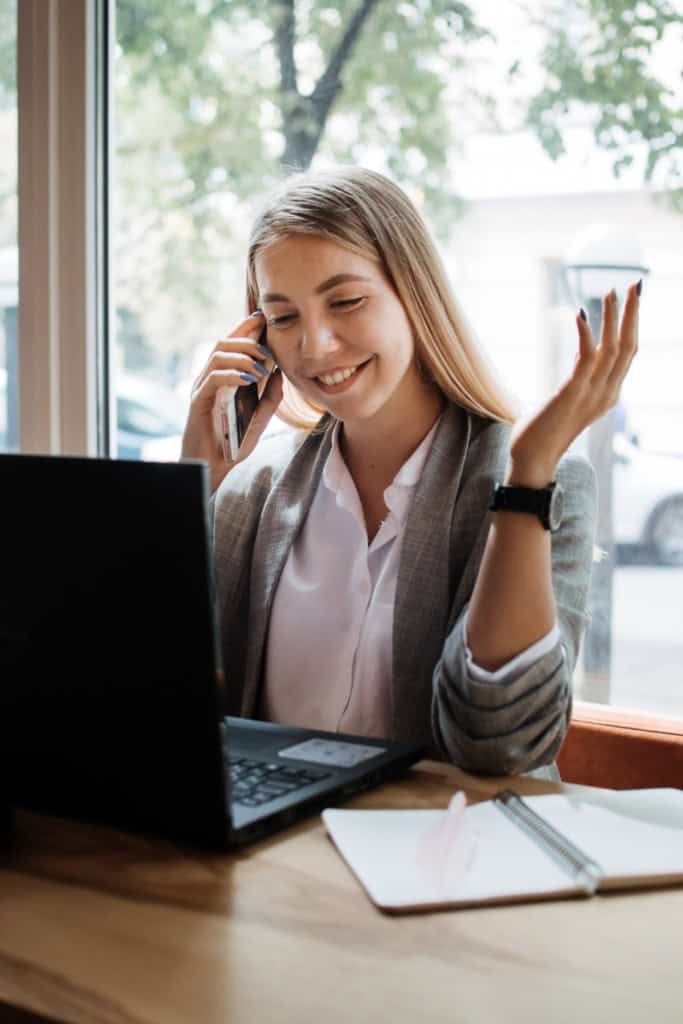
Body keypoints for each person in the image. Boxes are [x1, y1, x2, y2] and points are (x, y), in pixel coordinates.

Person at [181, 166, 639, 780]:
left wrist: (527, 479)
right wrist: (193, 485)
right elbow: (151, 689)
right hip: (279, 859)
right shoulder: (252, 491)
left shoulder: (539, 479)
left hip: (442, 860)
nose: (314, 346)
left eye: (345, 301)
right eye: (283, 317)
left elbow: (498, 743)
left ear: (414, 295)